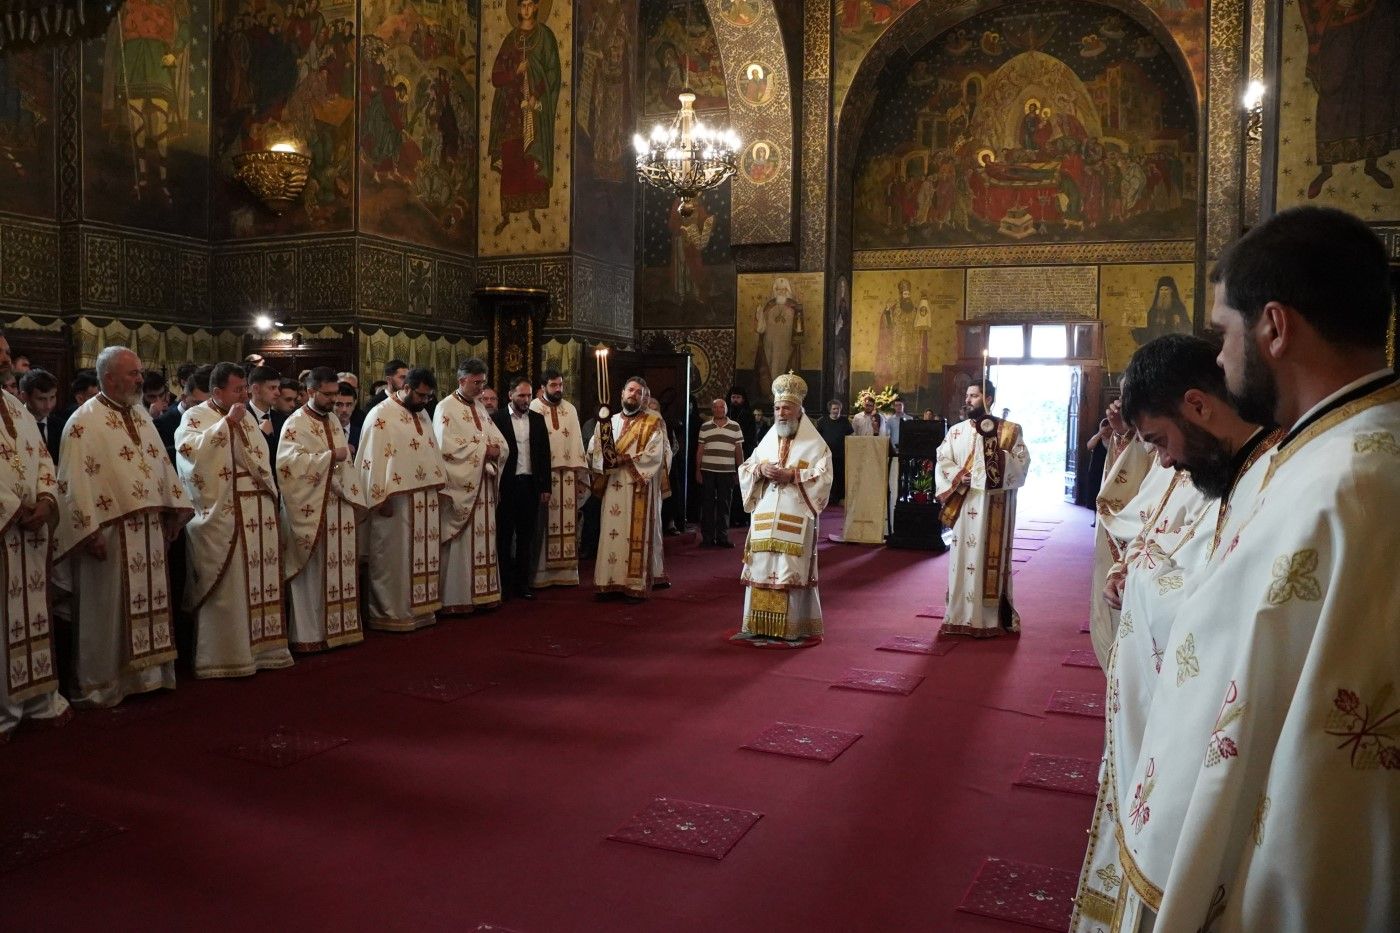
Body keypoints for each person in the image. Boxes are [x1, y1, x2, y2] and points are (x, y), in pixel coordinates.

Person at [1084, 208, 1399, 930]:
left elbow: (1226, 662)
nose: (1221, 361)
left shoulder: (1338, 487)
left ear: (1275, 329)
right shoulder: (1334, 453)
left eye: (1225, 333)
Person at [1072, 335, 1280, 932]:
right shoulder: (1230, 467)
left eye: (1160, 441)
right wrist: (1138, 566)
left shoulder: (1268, 476)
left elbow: (1215, 607)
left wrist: (1141, 575)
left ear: (1197, 405)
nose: (1162, 462)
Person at [55, 345, 191, 707]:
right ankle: (103, 682)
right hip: (109, 533)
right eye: (133, 373)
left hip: (148, 530)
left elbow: (161, 466)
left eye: (139, 372)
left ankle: (149, 676)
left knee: (151, 601)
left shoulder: (140, 415)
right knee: (107, 610)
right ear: (110, 377)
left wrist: (173, 512)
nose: (140, 379)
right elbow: (73, 482)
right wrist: (88, 530)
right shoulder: (83, 423)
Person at [176, 363, 291, 678]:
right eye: (237, 389)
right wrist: (226, 424)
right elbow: (191, 456)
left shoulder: (247, 417)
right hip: (225, 514)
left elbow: (261, 461)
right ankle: (226, 655)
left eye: (244, 388)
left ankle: (263, 649)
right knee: (232, 586)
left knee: (258, 581)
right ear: (217, 391)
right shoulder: (196, 417)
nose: (243, 394)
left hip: (257, 512)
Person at [732, 373, 832, 647]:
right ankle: (757, 625)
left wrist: (792, 475)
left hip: (795, 515)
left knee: (789, 569)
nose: (781, 413)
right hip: (765, 516)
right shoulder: (767, 441)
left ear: (799, 410)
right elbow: (746, 468)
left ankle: (790, 628)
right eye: (777, 408)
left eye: (787, 408)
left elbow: (824, 477)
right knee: (761, 567)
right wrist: (760, 469)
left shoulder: (816, 445)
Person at [0, 334, 67, 740]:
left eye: (6, 353)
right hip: (6, 530)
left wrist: (45, 499)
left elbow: (43, 459)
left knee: (32, 615)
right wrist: (14, 508)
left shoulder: (15, 409)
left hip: (30, 535)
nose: (5, 359)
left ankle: (37, 699)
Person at [277, 368, 364, 653]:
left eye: (335, 394)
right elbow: (288, 467)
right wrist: (330, 457)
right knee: (312, 572)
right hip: (312, 509)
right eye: (327, 395)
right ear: (311, 392)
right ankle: (309, 634)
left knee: (340, 565)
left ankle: (340, 629)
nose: (333, 400)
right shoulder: (295, 423)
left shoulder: (333, 420)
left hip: (338, 505)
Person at [934, 380, 1030, 637]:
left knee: (989, 558)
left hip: (993, 507)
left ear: (988, 399)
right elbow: (942, 458)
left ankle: (988, 619)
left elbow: (1022, 464)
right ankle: (958, 615)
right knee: (961, 559)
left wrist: (991, 464)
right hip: (965, 505)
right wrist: (958, 476)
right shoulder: (955, 431)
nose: (967, 400)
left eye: (974, 396)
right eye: (967, 395)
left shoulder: (1009, 430)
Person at [357, 368, 446, 630]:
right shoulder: (381, 415)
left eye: (429, 397)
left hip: (424, 500)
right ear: (406, 388)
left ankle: (421, 609)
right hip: (395, 503)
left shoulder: (423, 413)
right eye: (421, 395)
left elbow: (431, 451)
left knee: (422, 556)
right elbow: (371, 459)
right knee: (394, 558)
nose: (425, 401)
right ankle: (391, 612)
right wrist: (379, 498)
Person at [434, 359, 506, 614]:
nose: (481, 388)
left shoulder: (479, 407)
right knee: (462, 544)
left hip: (483, 486)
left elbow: (498, 440)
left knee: (485, 539)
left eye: (483, 382)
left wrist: (497, 450)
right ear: (461, 380)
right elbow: (445, 448)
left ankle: (484, 594)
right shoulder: (445, 407)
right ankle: (458, 597)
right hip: (462, 486)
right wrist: (483, 451)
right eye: (476, 382)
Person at [588, 376, 667, 602]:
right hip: (612, 487)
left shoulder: (652, 423)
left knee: (634, 536)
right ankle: (607, 582)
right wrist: (604, 459)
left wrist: (624, 459)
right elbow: (593, 450)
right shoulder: (607, 422)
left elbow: (655, 454)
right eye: (631, 390)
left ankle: (633, 584)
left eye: (639, 392)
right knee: (610, 533)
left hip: (637, 487)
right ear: (622, 393)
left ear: (644, 398)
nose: (634, 394)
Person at [487, 0, 562, 235]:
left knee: (531, 161)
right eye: (522, 5)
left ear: (537, 7)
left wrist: (536, 95)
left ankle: (532, 212)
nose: (526, 9)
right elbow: (496, 77)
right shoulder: (510, 39)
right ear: (518, 9)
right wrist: (515, 72)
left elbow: (552, 73)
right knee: (511, 158)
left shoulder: (545, 37)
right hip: (511, 113)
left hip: (534, 111)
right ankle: (505, 215)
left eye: (530, 4)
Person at [529, 368, 587, 588]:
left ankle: (567, 573)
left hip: (568, 476)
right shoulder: (534, 408)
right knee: (542, 524)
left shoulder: (570, 409)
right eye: (553, 385)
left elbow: (577, 442)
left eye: (560, 385)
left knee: (567, 523)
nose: (558, 389)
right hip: (544, 475)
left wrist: (580, 476)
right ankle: (541, 575)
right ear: (543, 387)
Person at [493, 377, 550, 600]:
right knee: (505, 536)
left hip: (530, 484)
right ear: (510, 395)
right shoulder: (497, 419)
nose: (526, 400)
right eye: (521, 395)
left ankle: (523, 583)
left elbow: (544, 454)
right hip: (507, 486)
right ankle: (505, 584)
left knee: (527, 537)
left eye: (528, 396)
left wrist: (545, 486)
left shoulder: (537, 419)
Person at [696, 398, 744, 547]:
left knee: (725, 505)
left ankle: (723, 537)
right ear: (712, 409)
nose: (719, 409)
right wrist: (697, 470)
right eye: (716, 407)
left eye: (721, 407)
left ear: (726, 409)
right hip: (708, 470)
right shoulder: (705, 427)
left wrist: (740, 470)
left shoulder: (735, 426)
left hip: (727, 471)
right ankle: (708, 538)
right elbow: (700, 450)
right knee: (707, 504)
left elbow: (738, 451)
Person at [154, 365, 212, 463]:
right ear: (184, 398)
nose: (203, 409)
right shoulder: (162, 423)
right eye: (198, 404)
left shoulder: (211, 417)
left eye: (207, 404)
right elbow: (160, 457)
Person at [246, 365, 287, 473]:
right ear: (256, 389)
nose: (278, 393)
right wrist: (263, 435)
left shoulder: (283, 419)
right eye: (272, 388)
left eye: (278, 388)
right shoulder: (241, 417)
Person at [19, 368, 61, 464]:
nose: (48, 405)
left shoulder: (60, 426)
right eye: (41, 399)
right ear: (25, 396)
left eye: (52, 397)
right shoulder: (15, 425)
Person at [816, 398, 854, 504]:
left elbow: (851, 435)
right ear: (830, 410)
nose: (836, 411)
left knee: (840, 476)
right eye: (834, 409)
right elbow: (818, 437)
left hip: (841, 454)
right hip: (827, 455)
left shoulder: (844, 421)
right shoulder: (822, 421)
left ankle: (839, 498)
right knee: (827, 476)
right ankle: (827, 498)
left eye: (838, 409)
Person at [334, 381, 359, 450]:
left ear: (355, 404)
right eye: (339, 404)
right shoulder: (322, 432)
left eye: (349, 405)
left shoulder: (361, 434)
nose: (344, 410)